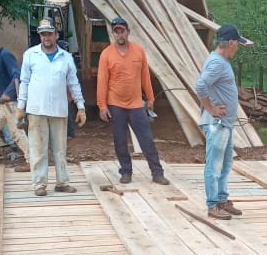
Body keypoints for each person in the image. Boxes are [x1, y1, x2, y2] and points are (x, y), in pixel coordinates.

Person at [17, 18, 86, 197]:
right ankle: (39, 184)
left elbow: (73, 83)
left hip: (59, 110)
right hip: (36, 109)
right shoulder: (30, 55)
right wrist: (21, 106)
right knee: (38, 149)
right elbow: (24, 81)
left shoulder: (66, 57)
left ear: (56, 35)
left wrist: (81, 107)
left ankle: (62, 183)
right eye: (43, 34)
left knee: (60, 149)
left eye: (49, 34)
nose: (46, 37)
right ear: (40, 36)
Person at [96, 16, 169, 185]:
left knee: (147, 139)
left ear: (128, 32)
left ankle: (157, 173)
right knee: (120, 141)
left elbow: (145, 76)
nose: (119, 34)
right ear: (113, 34)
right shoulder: (106, 54)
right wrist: (102, 106)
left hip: (136, 103)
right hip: (115, 104)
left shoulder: (139, 51)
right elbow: (102, 81)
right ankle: (126, 171)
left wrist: (150, 97)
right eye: (116, 32)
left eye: (122, 31)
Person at [195, 23, 251, 220]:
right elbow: (200, 85)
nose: (238, 48)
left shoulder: (220, 61)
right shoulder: (217, 63)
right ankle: (212, 205)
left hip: (224, 123)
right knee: (214, 165)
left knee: (225, 164)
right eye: (237, 44)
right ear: (231, 43)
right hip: (216, 123)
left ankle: (221, 199)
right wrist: (211, 108)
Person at [0, 34, 30, 170]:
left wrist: (8, 93)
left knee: (17, 133)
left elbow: (17, 75)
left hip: (11, 103)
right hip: (0, 103)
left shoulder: (5, 56)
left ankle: (31, 161)